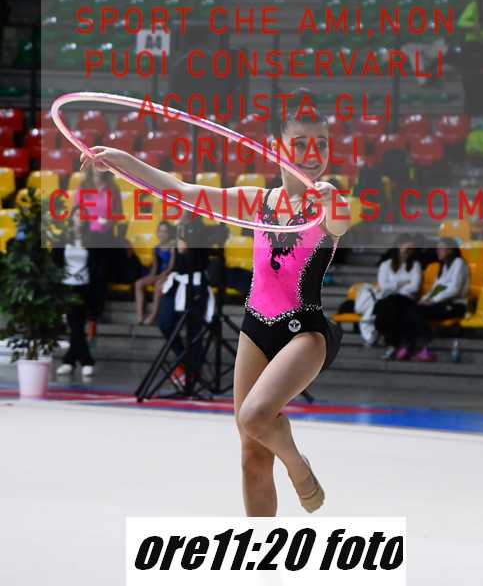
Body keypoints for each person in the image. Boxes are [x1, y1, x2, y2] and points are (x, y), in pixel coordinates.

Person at [79, 88, 351, 516]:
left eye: (320, 143)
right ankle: (260, 548)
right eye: (299, 143)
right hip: (255, 327)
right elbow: (181, 190)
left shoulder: (328, 203)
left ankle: (299, 466)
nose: (311, 153)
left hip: (304, 333)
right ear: (276, 147)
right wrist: (120, 160)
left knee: (255, 416)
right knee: (250, 452)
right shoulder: (257, 202)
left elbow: (339, 220)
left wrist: (328, 195)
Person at [156, 214, 212, 387]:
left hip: (195, 284)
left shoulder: (199, 229)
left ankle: (193, 373)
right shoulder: (177, 227)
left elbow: (186, 251)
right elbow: (175, 256)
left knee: (194, 331)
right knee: (165, 323)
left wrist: (183, 235)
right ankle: (185, 360)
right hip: (177, 281)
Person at [395, 238, 470, 362]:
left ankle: (418, 346)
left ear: (450, 250)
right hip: (440, 304)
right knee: (411, 309)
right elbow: (436, 289)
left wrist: (433, 300)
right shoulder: (444, 266)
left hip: (456, 305)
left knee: (416, 312)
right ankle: (409, 345)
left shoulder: (459, 263)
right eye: (437, 248)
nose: (438, 251)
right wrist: (424, 299)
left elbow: (455, 289)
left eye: (441, 248)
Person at [75, 168, 123, 333]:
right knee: (87, 274)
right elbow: (76, 210)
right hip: (87, 236)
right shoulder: (83, 186)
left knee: (100, 275)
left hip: (105, 237)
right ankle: (85, 311)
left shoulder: (113, 187)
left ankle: (96, 313)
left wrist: (108, 222)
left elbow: (118, 212)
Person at [52, 205, 95, 377]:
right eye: (77, 214)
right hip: (67, 286)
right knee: (75, 325)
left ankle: (70, 361)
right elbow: (55, 261)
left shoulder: (92, 239)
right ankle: (85, 361)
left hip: (85, 286)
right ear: (72, 218)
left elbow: (97, 265)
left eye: (83, 215)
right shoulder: (63, 237)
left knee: (77, 325)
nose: (80, 218)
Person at [373, 235, 422, 359]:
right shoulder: (386, 265)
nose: (409, 252)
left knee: (397, 308)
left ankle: (392, 344)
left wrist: (394, 286)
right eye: (407, 249)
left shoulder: (415, 265)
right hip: (389, 300)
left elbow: (415, 287)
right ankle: (395, 344)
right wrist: (401, 284)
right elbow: (383, 286)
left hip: (405, 300)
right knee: (390, 307)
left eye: (412, 250)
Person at [135, 220, 176, 324]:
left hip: (170, 275)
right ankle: (140, 315)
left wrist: (162, 276)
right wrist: (149, 278)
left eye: (165, 232)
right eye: (160, 231)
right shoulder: (156, 248)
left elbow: (171, 267)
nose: (162, 234)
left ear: (169, 233)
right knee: (138, 283)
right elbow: (155, 268)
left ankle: (153, 316)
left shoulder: (172, 247)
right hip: (159, 275)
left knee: (158, 285)